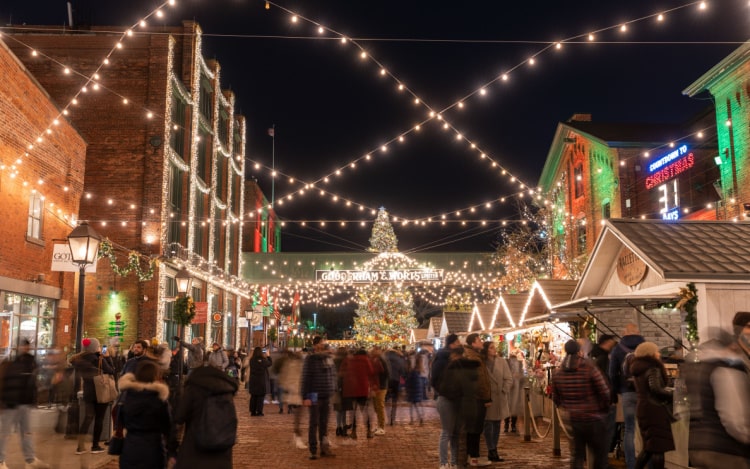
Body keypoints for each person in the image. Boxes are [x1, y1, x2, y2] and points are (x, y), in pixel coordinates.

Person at [684, 312, 750, 469]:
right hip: (725, 449)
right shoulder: (726, 367)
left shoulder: (699, 365)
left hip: (698, 445)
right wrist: (746, 435)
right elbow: (733, 417)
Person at [551, 339, 611, 469]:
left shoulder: (558, 373)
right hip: (594, 418)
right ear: (579, 351)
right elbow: (605, 391)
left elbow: (556, 398)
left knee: (577, 454)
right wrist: (603, 408)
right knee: (599, 454)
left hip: (574, 419)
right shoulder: (589, 368)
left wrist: (568, 406)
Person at [173, 363, 237, 469]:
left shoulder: (193, 388)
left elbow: (179, 417)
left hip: (194, 449)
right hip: (222, 451)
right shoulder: (227, 391)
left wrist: (172, 448)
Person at [0, 339, 50, 469]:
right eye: (23, 346)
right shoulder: (11, 363)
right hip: (11, 404)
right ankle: (1, 461)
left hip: (24, 403)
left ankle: (30, 459)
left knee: (26, 432)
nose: (25, 348)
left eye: (26, 346)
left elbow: (34, 383)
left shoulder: (31, 362)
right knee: (5, 433)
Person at [118, 360, 171, 468]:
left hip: (130, 448)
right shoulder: (159, 400)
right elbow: (168, 426)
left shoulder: (127, 397)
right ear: (155, 376)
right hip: (153, 449)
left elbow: (120, 420)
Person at [629, 341, 674, 469]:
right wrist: (673, 396)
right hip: (654, 409)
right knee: (658, 448)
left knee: (649, 447)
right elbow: (656, 389)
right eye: (657, 351)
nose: (659, 353)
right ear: (651, 353)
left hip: (643, 408)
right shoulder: (652, 368)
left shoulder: (637, 367)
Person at [70, 337, 116, 455]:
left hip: (88, 391)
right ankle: (95, 446)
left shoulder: (78, 359)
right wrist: (107, 357)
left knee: (87, 418)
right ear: (95, 347)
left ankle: (80, 447)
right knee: (99, 419)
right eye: (99, 346)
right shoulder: (98, 358)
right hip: (101, 391)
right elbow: (111, 371)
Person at [609, 323, 645, 469]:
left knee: (629, 429)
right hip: (643, 393)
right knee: (644, 429)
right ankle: (647, 462)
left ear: (624, 333)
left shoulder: (618, 349)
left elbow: (612, 373)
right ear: (637, 332)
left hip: (627, 393)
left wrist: (618, 389)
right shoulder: (645, 347)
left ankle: (631, 464)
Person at [431, 333, 463, 469]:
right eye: (457, 342)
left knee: (455, 432)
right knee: (447, 431)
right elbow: (434, 379)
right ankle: (443, 462)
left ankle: (454, 462)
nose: (459, 344)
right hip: (445, 398)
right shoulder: (443, 359)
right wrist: (442, 390)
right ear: (451, 345)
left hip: (458, 398)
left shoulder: (459, 360)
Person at [301, 336, 336, 460]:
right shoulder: (310, 359)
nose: (323, 345)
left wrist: (333, 389)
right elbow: (305, 378)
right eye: (321, 343)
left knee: (324, 424)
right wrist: (305, 395)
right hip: (313, 394)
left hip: (326, 394)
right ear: (315, 345)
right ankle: (313, 449)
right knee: (314, 423)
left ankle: (324, 448)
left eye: (324, 343)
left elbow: (332, 375)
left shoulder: (328, 359)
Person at [463, 333, 492, 467]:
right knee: (475, 428)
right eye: (479, 340)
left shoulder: (471, 355)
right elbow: (480, 380)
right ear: (473, 343)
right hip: (476, 398)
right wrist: (486, 397)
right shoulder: (473, 357)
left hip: (472, 398)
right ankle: (474, 457)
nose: (481, 342)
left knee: (472, 428)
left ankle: (471, 456)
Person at [482, 340, 512, 463]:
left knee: (496, 424)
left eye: (494, 347)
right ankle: (491, 449)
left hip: (499, 397)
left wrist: (504, 390)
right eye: (491, 348)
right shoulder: (482, 363)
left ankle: (494, 449)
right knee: (488, 425)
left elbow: (508, 378)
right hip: (488, 398)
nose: (494, 350)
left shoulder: (502, 361)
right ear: (486, 350)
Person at [590, 334, 618, 462]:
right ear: (606, 342)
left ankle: (599, 459)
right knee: (607, 431)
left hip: (597, 401)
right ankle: (602, 460)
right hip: (605, 401)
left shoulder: (596, 358)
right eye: (611, 341)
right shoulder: (604, 359)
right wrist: (611, 398)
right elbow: (606, 380)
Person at [340, 348, 375, 439]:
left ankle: (353, 432)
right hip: (363, 389)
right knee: (365, 411)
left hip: (352, 389)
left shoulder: (351, 360)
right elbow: (371, 372)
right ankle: (368, 431)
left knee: (353, 412)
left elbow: (345, 372)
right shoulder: (366, 360)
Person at [276, 350, 307, 449]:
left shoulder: (291, 364)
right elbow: (288, 379)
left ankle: (297, 435)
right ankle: (297, 436)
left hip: (296, 392)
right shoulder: (296, 365)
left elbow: (283, 379)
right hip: (297, 393)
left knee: (298, 415)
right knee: (298, 415)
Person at [369, 346, 390, 435]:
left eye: (374, 350)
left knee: (379, 406)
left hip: (381, 386)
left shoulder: (381, 360)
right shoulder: (375, 359)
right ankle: (379, 425)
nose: (372, 351)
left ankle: (382, 427)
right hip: (376, 386)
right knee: (376, 407)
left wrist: (381, 384)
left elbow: (386, 373)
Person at [505, 348, 525, 434]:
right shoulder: (506, 362)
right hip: (508, 388)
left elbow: (522, 376)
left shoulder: (520, 363)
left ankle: (513, 425)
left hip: (517, 388)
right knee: (507, 406)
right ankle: (506, 425)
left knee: (515, 407)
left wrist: (519, 377)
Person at [384, 347, 406, 425]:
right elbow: (403, 371)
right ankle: (393, 417)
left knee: (386, 399)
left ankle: (387, 416)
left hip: (387, 381)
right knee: (394, 399)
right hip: (396, 380)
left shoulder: (385, 358)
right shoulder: (398, 359)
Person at [248, 347, 271, 416]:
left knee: (253, 396)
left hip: (253, 380)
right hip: (260, 380)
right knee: (260, 396)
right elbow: (270, 363)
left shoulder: (251, 360)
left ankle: (253, 411)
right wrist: (268, 356)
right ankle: (259, 411)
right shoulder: (263, 360)